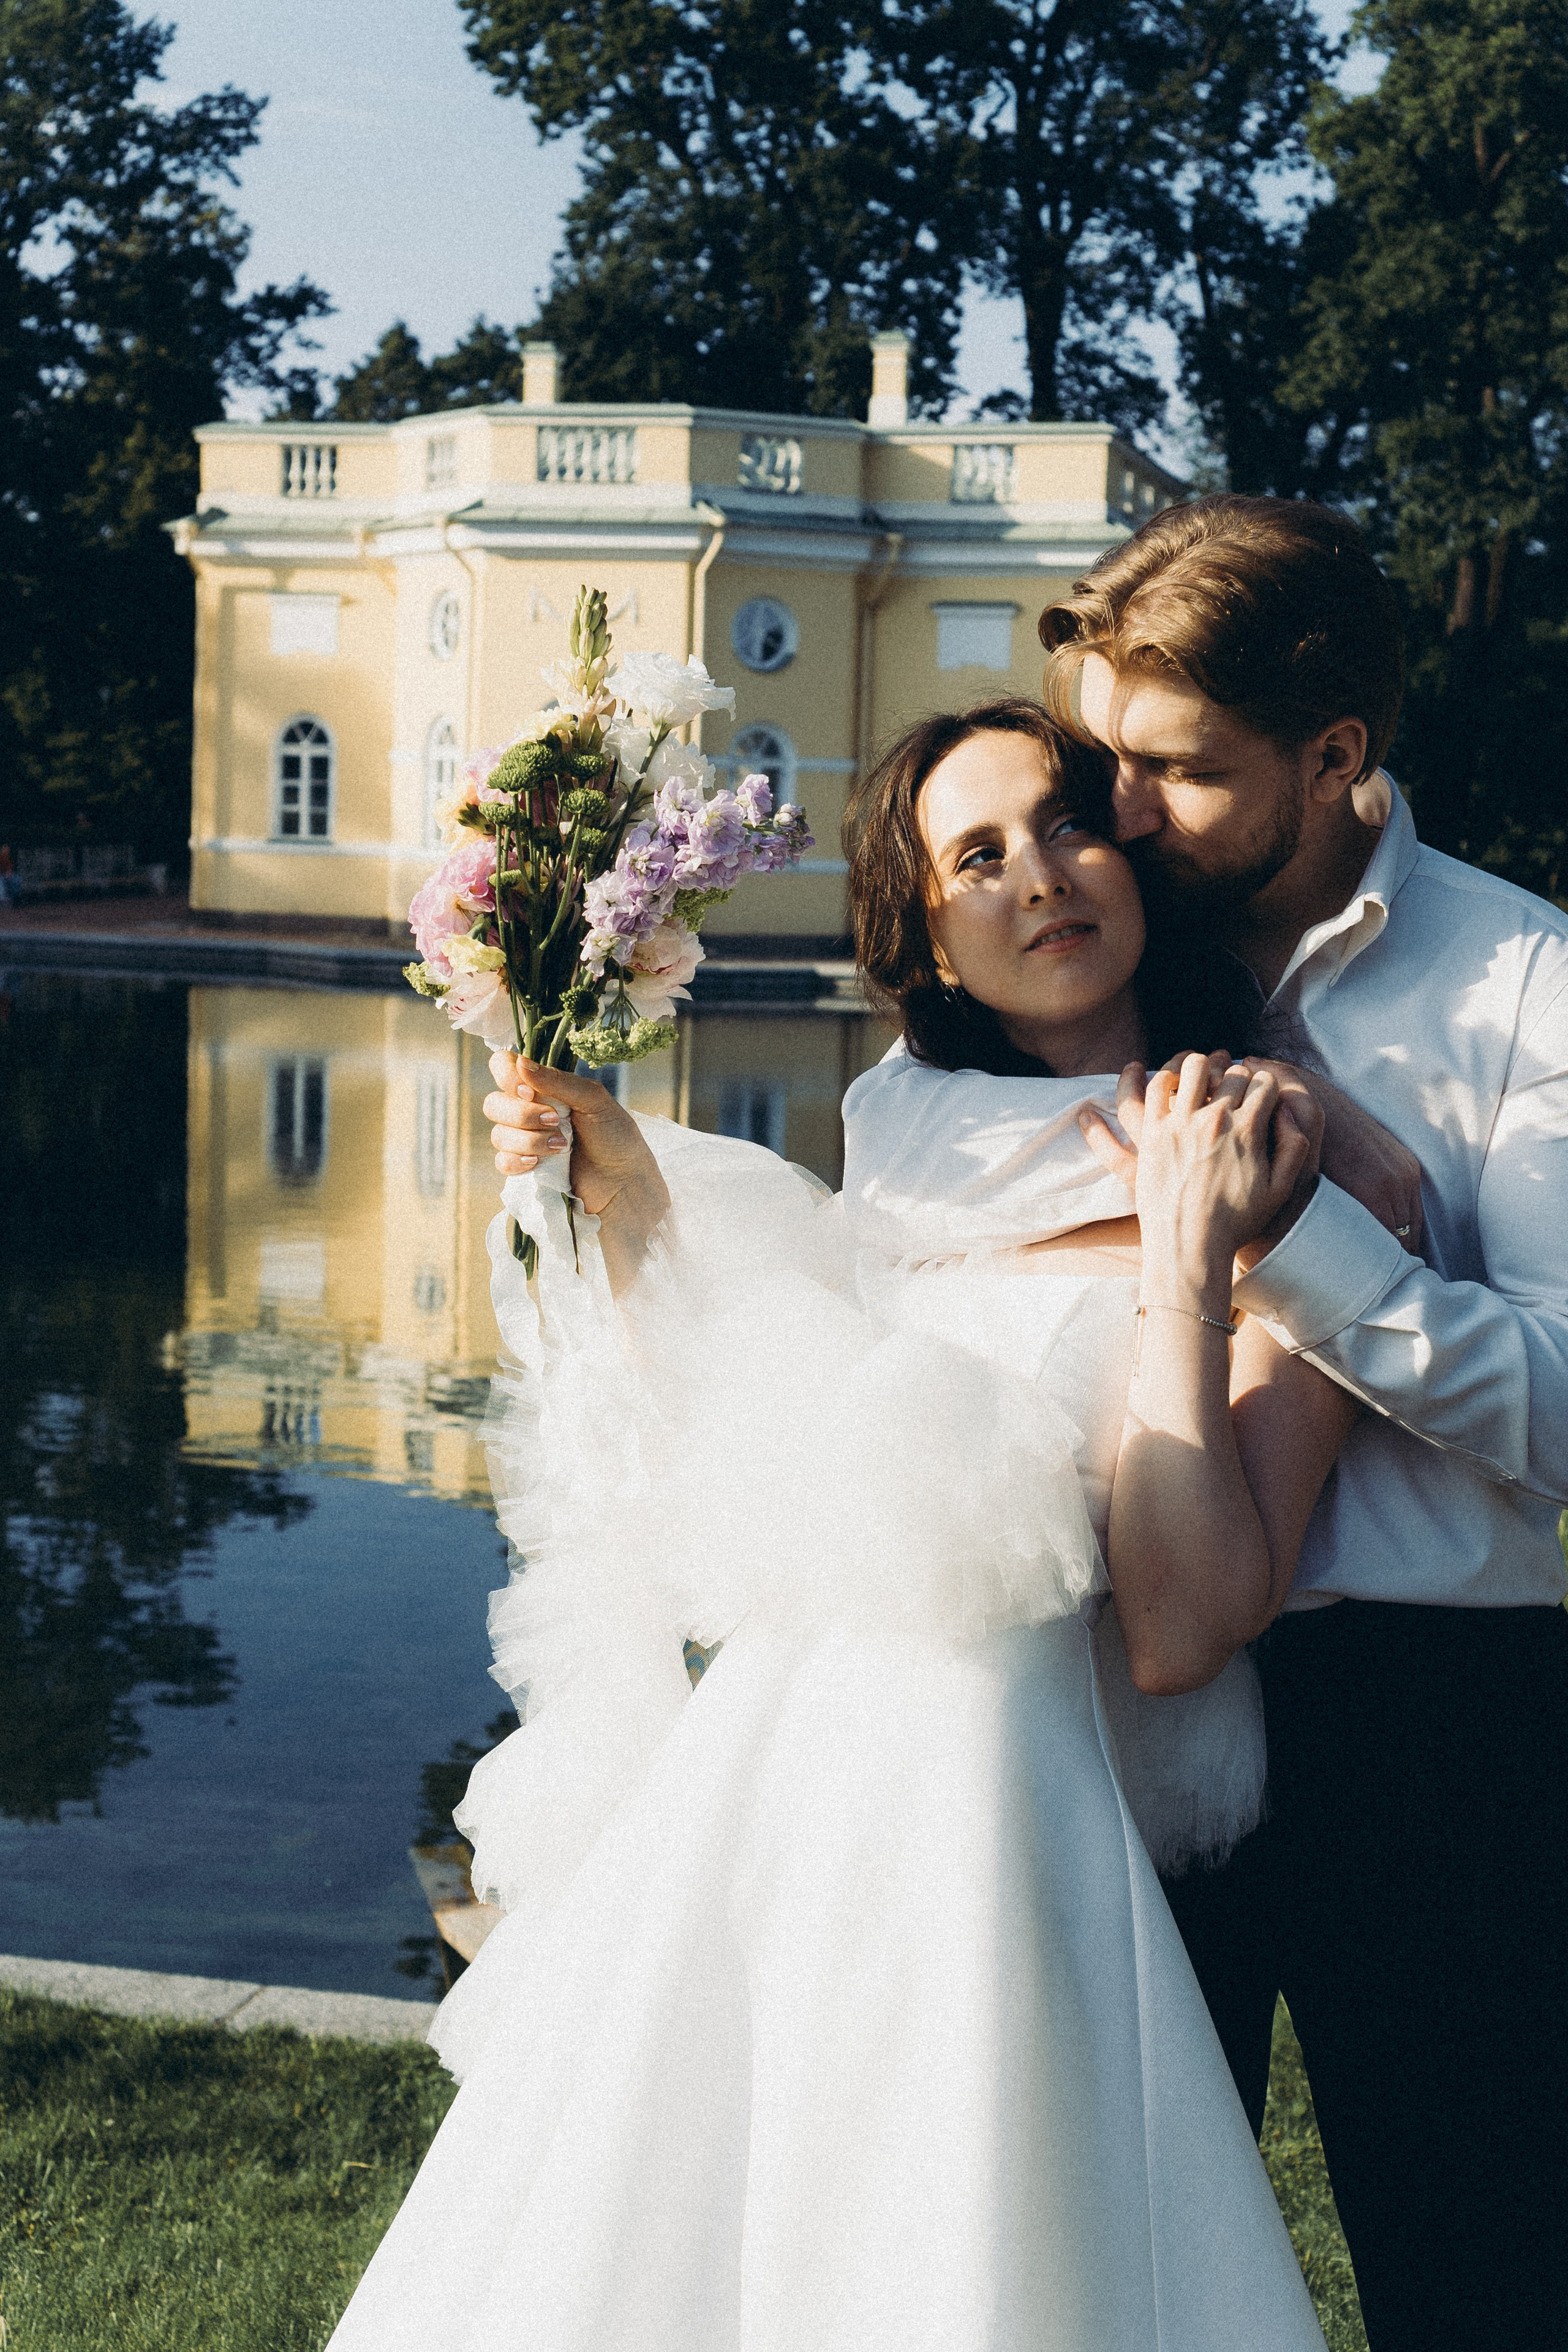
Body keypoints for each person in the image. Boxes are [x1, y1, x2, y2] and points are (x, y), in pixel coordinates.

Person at [327, 699, 1360, 2351]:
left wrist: (1183, 1259)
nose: (1042, 875)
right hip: (782, 1791)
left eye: (1068, 823)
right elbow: (758, 1460)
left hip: (1005, 1829)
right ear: (932, 933)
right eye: (979, 854)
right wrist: (616, 1184)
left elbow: (1183, 1630)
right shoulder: (907, 1143)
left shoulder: (1273, 1142)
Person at [827, 497, 1568, 2352]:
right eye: (1102, 768)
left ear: (1333, 761)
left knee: (1478, 2267)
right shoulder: (1091, 1003)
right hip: (1128, 1728)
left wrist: (1301, 1251)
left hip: (1442, 1729)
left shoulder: (1530, 987)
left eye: (1164, 772)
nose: (1120, 818)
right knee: (1116, 2264)